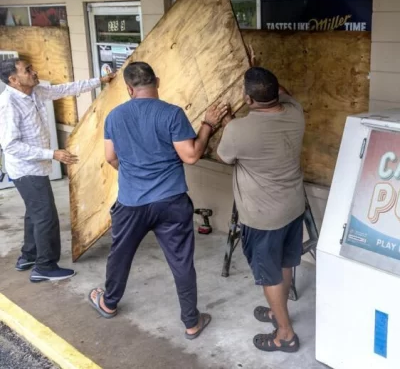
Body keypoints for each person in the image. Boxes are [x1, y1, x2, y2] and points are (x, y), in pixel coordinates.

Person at [86, 61, 229, 340]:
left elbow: (110, 157)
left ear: (129, 88)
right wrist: (208, 126)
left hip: (131, 203)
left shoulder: (114, 117)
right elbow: (190, 155)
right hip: (171, 202)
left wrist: (134, 174)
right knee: (181, 262)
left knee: (120, 254)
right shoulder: (172, 114)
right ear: (158, 81)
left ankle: (108, 302)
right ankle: (191, 322)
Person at [0, 58, 114, 282]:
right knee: (46, 217)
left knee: (35, 213)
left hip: (36, 167)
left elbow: (65, 89)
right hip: (27, 169)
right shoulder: (8, 105)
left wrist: (99, 80)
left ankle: (29, 255)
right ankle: (45, 266)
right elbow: (10, 145)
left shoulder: (36, 91)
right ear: (13, 80)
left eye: (32, 68)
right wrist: (52, 154)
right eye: (27, 70)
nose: (34, 72)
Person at [217, 67, 305, 353]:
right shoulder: (296, 113)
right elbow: (284, 96)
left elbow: (226, 155)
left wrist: (230, 119)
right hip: (292, 209)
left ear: (247, 98)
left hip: (262, 218)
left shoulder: (237, 130)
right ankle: (276, 311)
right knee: (284, 264)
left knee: (270, 276)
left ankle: (285, 334)